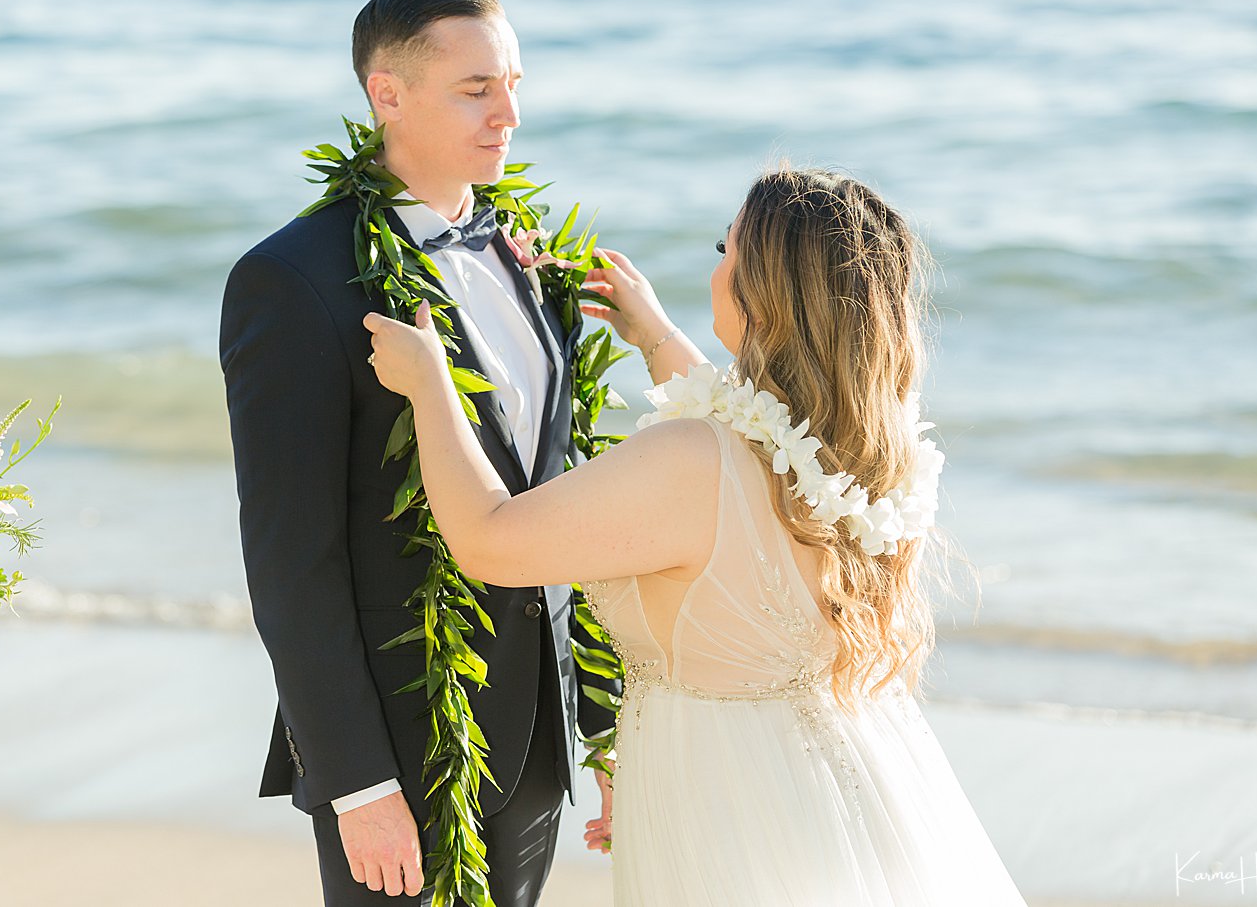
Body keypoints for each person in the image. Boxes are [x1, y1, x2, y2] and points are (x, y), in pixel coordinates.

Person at [364, 166, 1032, 905]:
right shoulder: (873, 450)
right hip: (839, 777)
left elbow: (491, 539)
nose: (716, 267)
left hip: (725, 806)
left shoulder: (694, 460)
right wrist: (651, 332)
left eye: (728, 248)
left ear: (767, 294)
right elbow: (753, 450)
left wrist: (432, 386)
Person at [219, 0, 619, 905]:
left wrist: (599, 722)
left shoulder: (520, 248)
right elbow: (290, 561)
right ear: (386, 95)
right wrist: (357, 783)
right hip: (406, 744)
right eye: (477, 88)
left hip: (535, 736)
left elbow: (566, 497)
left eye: (513, 81)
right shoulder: (293, 280)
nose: (509, 112)